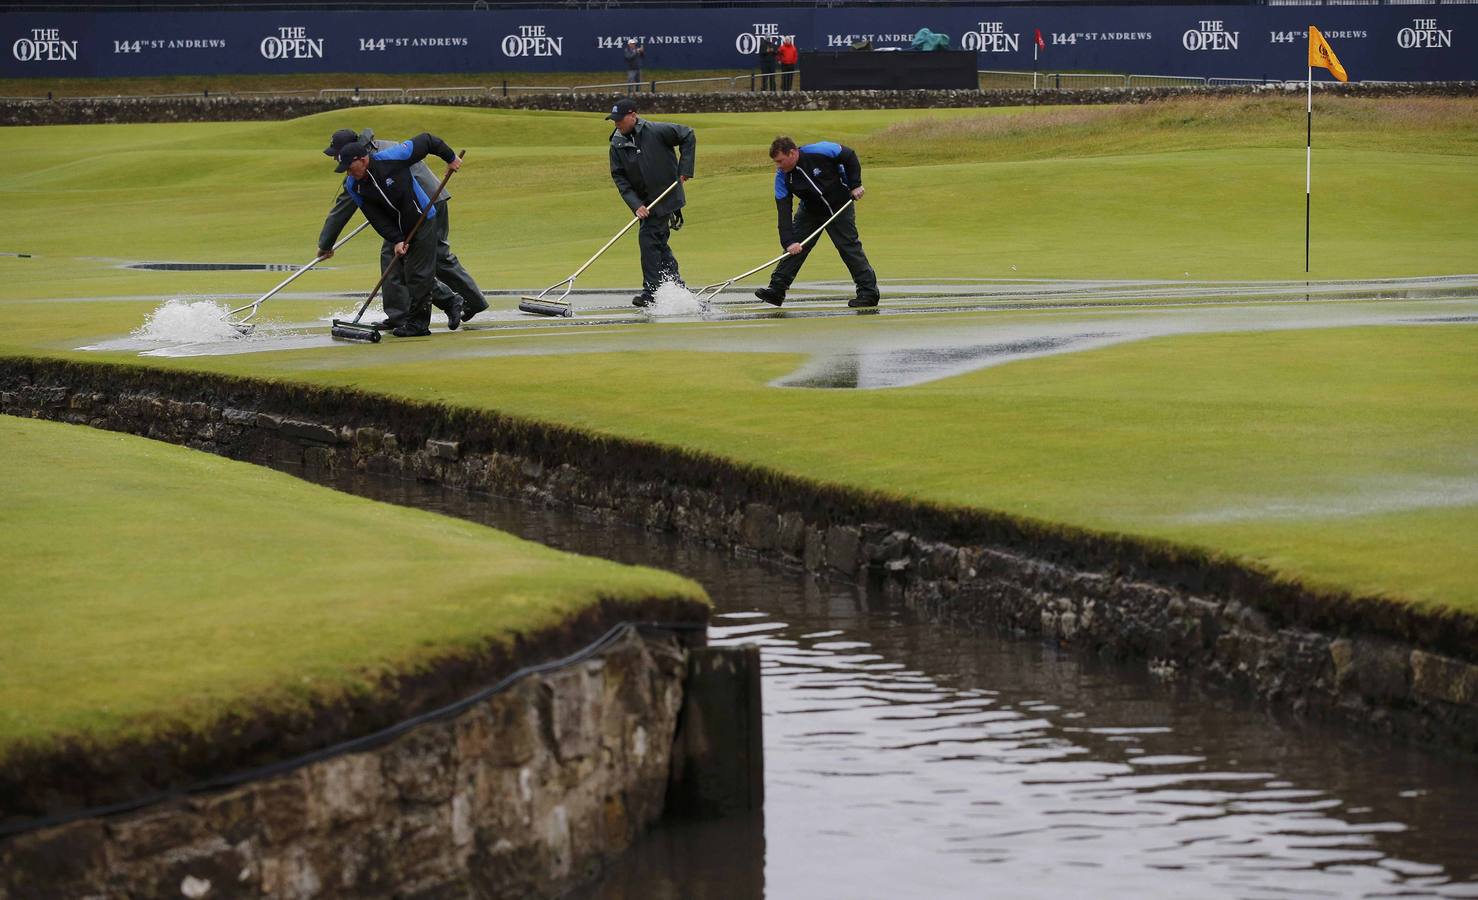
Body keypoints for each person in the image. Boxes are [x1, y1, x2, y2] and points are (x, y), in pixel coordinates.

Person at [319, 127, 488, 329]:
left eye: (336, 154)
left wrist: (326, 244)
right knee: (400, 257)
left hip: (427, 202)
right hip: (404, 212)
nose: (335, 159)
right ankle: (404, 314)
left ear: (350, 151)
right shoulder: (357, 169)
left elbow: (342, 210)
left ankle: (456, 303)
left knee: (431, 259)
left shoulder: (372, 160)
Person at [755, 136, 879, 309]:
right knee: (794, 250)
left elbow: (849, 155)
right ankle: (776, 290)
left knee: (848, 247)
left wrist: (855, 184)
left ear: (792, 153)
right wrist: (789, 241)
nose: (778, 166)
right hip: (810, 212)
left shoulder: (819, 150)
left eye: (780, 161)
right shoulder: (781, 178)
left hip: (839, 206)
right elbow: (783, 211)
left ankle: (868, 293)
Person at [606, 98, 696, 307]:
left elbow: (688, 134)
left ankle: (652, 291)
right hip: (644, 203)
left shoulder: (656, 131)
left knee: (648, 239)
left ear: (633, 115)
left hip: (666, 195)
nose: (617, 123)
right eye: (614, 120)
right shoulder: (617, 143)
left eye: (620, 119)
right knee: (658, 243)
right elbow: (620, 178)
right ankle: (675, 285)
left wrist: (685, 169)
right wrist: (635, 204)